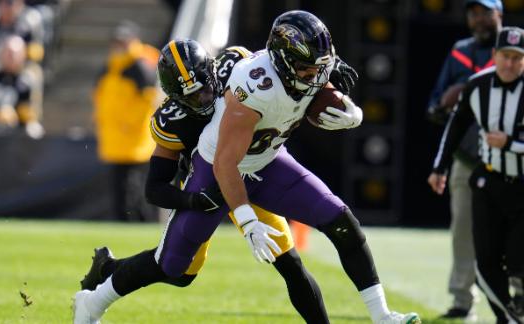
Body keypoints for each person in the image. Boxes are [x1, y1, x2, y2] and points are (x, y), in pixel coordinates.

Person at [73, 10, 420, 324]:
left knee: (338, 223)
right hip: (216, 173)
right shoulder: (250, 87)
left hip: (267, 163)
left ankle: (382, 316)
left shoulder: (274, 64)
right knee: (173, 267)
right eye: (306, 70)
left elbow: (316, 66)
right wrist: (243, 217)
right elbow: (223, 164)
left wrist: (349, 107)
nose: (204, 100)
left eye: (318, 69)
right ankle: (93, 301)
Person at [428, 26, 524, 324]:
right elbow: (455, 127)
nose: (510, 64)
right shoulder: (477, 86)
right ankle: (507, 317)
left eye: (517, 58)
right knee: (485, 263)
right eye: (505, 56)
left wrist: (511, 143)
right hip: (489, 180)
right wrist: (439, 167)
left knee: (518, 260)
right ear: (494, 55)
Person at [425, 0, 503, 319]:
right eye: (473, 13)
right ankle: (462, 300)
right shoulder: (460, 51)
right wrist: (447, 104)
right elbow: (434, 106)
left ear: (500, 13)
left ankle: (516, 297)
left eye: (485, 12)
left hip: (510, 159)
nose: (479, 19)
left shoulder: (514, 48)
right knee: (462, 230)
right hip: (467, 157)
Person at [92, 21, 159, 221]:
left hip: (135, 143)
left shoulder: (140, 65)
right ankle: (127, 225)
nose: (120, 46)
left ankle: (141, 227)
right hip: (115, 142)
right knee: (121, 191)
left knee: (135, 192)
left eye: (124, 41)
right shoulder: (111, 66)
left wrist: (128, 123)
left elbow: (149, 101)